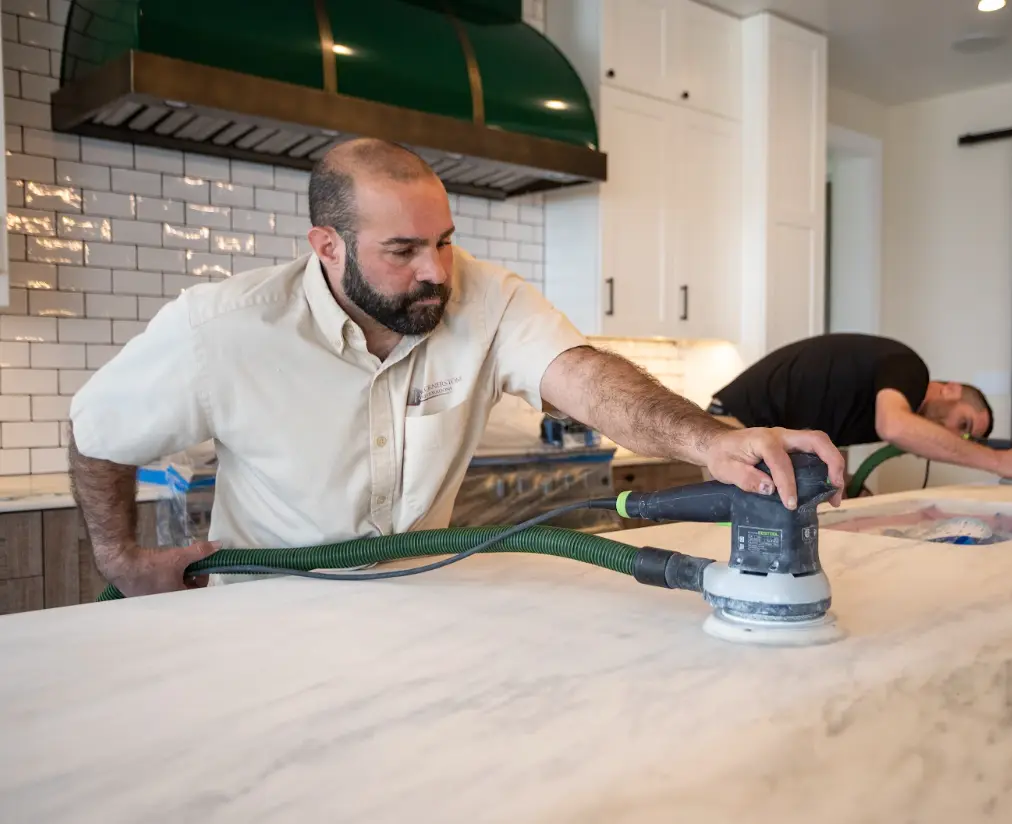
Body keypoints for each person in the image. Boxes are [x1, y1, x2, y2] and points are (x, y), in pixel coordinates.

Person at [66, 138, 845, 597]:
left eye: (442, 241)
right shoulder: (221, 327)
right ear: (327, 247)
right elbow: (95, 430)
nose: (436, 272)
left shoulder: (485, 297)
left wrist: (709, 440)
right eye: (402, 250)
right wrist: (119, 557)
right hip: (266, 614)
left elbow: (584, 377)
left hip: (423, 601)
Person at [708, 333, 1012, 484]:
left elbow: (816, 442)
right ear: (950, 389)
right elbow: (896, 427)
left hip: (753, 434)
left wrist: (847, 485)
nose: (955, 435)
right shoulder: (910, 369)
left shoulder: (879, 402)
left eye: (965, 436)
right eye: (962, 423)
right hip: (734, 428)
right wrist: (1000, 462)